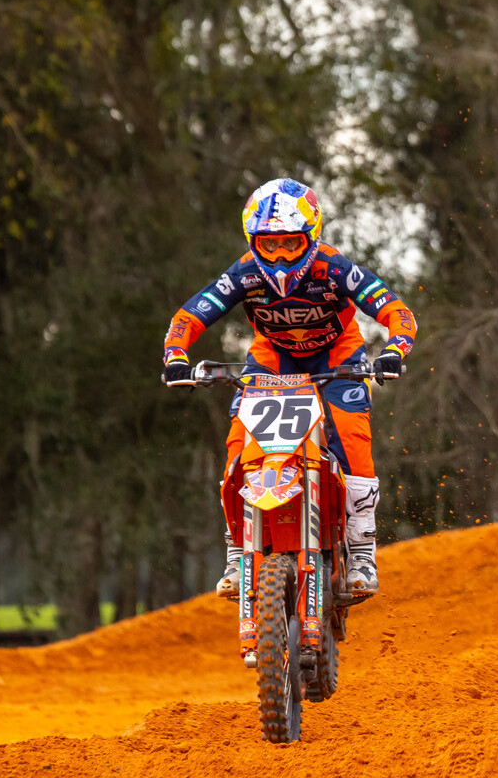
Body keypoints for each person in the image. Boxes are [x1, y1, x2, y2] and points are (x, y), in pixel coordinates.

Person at [161, 178, 417, 600]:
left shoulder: (335, 268)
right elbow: (190, 314)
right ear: (252, 242)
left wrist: (394, 350)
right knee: (239, 445)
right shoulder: (245, 272)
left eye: (290, 245)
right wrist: (175, 356)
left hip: (338, 357)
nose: (279, 257)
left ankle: (363, 553)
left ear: (311, 237)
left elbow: (395, 310)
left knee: (351, 439)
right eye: (269, 245)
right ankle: (236, 552)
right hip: (271, 359)